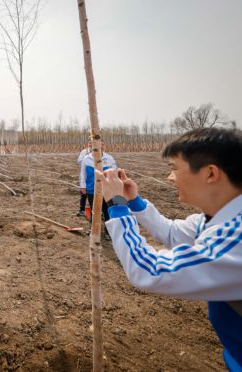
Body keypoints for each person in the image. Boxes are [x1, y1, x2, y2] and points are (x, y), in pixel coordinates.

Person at [101, 128, 242, 370]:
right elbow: (172, 233)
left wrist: (117, 206)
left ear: (210, 173)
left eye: (174, 168)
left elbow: (153, 271)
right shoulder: (217, 218)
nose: (170, 178)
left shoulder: (236, 238)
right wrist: (134, 201)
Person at [79, 140, 117, 228]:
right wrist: (83, 186)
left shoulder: (109, 158)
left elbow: (115, 173)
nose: (101, 146)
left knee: (107, 209)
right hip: (92, 188)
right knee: (94, 210)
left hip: (106, 189)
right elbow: (83, 174)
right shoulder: (87, 159)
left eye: (103, 144)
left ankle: (108, 231)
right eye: (98, 144)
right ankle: (94, 229)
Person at [77, 140, 92, 217]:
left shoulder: (99, 152)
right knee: (83, 193)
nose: (91, 144)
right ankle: (81, 210)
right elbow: (79, 161)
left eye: (93, 142)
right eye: (90, 143)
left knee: (93, 194)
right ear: (88, 144)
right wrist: (87, 157)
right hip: (85, 175)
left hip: (94, 177)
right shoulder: (84, 152)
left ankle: (95, 211)